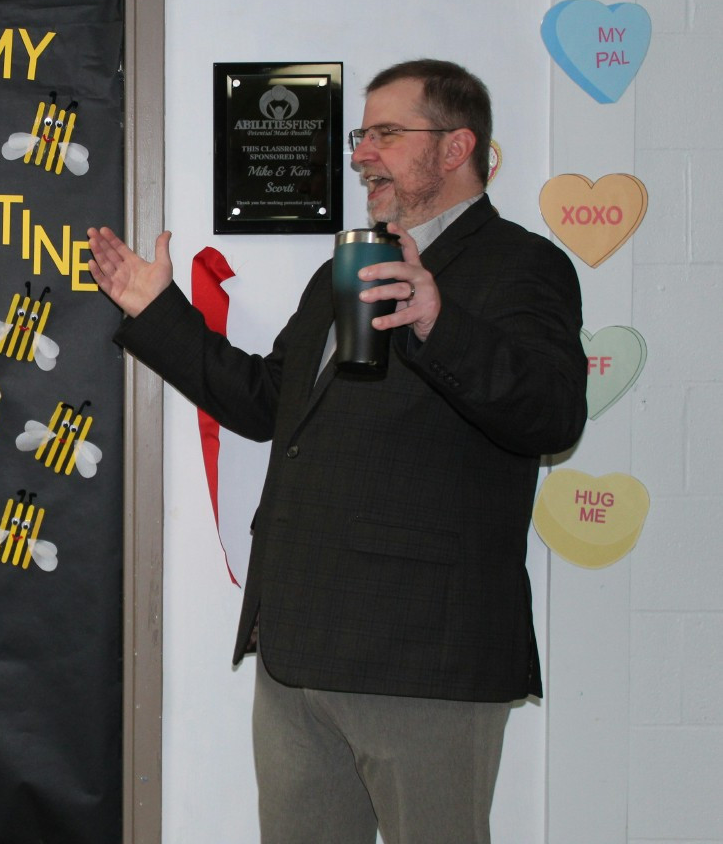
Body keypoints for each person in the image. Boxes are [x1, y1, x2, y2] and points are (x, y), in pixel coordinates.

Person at [88, 60, 586, 844]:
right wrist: (159, 312)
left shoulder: (523, 266)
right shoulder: (341, 271)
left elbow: (552, 416)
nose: (361, 154)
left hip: (425, 657)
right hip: (297, 654)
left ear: (457, 147)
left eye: (386, 134)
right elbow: (265, 404)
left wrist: (435, 319)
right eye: (362, 135)